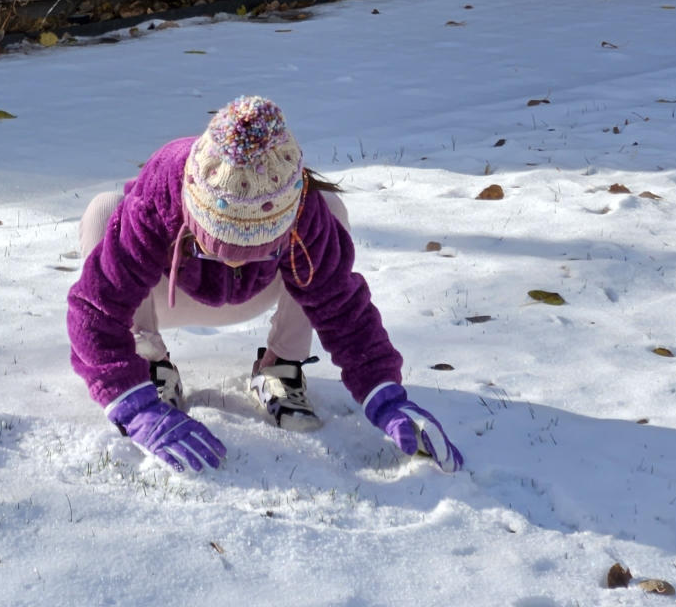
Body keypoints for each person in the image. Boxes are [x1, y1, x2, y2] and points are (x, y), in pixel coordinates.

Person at [67, 94, 463, 474]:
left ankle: (281, 365)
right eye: (220, 246)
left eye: (256, 248)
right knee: (104, 211)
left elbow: (342, 309)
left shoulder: (299, 206)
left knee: (332, 215)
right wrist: (131, 405)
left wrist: (385, 395)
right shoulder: (163, 189)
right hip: (164, 294)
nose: (234, 260)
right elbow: (95, 309)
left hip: (263, 291)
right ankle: (150, 364)